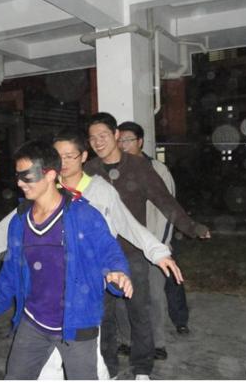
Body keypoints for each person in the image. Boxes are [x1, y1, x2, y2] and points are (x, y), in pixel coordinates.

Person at [0, 129, 184, 379]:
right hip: (33, 320)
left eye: (69, 156)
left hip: (79, 311)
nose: (19, 183)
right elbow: (10, 265)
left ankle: (134, 370)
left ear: (80, 158)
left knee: (98, 357)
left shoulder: (88, 207)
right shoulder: (23, 216)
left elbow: (115, 239)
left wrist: (138, 260)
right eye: (59, 156)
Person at [84, 112, 211, 380]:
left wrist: (191, 227)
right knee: (103, 316)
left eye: (103, 135)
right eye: (92, 138)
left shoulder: (139, 167)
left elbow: (164, 201)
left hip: (133, 253)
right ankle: (108, 368)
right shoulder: (89, 170)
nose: (97, 142)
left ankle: (142, 368)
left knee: (139, 313)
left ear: (116, 135)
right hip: (100, 257)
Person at [116, 121, 190, 362]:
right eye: (119, 140)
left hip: (154, 245)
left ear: (140, 142)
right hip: (124, 246)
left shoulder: (157, 169)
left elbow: (169, 208)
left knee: (154, 296)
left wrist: (161, 246)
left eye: (128, 140)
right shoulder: (114, 170)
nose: (122, 145)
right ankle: (127, 340)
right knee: (122, 295)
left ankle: (158, 343)